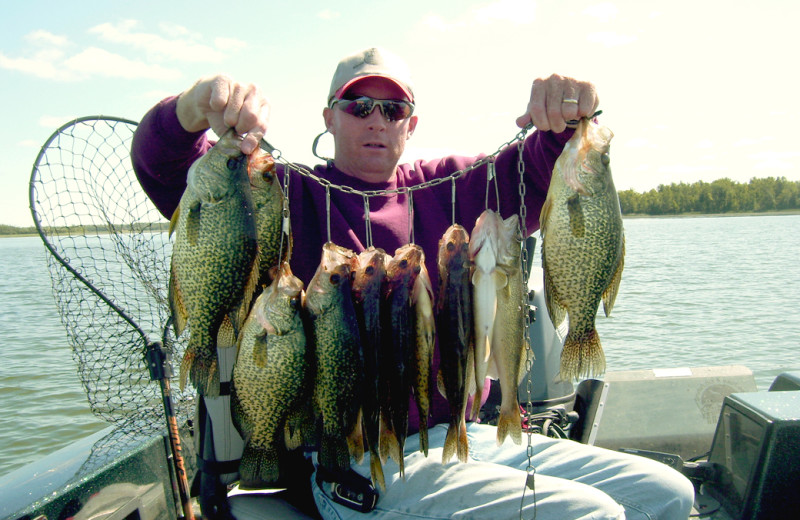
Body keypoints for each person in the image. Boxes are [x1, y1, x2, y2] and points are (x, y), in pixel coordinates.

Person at [132, 47, 695, 520]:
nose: (376, 119)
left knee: (667, 496)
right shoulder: (279, 193)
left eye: (393, 107)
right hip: (358, 458)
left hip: (468, 436)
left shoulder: (451, 186)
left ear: (411, 122)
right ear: (328, 117)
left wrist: (568, 112)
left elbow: (548, 171)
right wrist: (193, 106)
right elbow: (166, 165)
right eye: (358, 105)